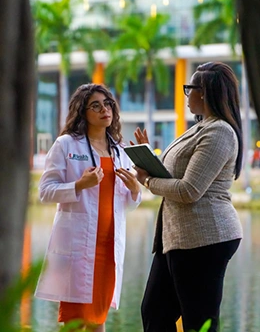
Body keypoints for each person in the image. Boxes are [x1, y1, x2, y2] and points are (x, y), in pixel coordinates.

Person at [133, 62, 243, 332]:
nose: (186, 95)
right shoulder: (200, 127)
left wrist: (147, 180)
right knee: (154, 313)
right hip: (176, 238)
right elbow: (179, 174)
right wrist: (149, 157)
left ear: (203, 91)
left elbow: (189, 190)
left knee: (199, 322)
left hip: (205, 238)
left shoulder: (220, 132)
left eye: (188, 88)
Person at [35, 83, 141, 332]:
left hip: (108, 248)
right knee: (74, 321)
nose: (104, 109)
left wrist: (136, 189)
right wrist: (79, 185)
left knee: (98, 318)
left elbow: (126, 203)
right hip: (78, 247)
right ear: (82, 112)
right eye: (96, 105)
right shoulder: (66, 145)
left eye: (108, 104)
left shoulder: (120, 151)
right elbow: (45, 192)